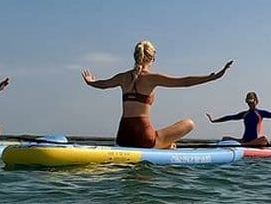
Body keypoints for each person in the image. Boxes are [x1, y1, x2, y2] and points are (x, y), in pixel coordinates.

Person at [81, 40, 233, 149]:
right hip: (143, 138)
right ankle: (163, 145)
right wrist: (212, 77)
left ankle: (164, 144)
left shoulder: (122, 77)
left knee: (160, 136)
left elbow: (102, 85)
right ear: (152, 58)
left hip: (123, 137)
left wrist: (90, 82)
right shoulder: (152, 78)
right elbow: (185, 82)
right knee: (189, 123)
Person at [206, 91, 271, 145]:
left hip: (256, 141)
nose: (250, 104)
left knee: (265, 138)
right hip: (244, 140)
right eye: (248, 102)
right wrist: (213, 120)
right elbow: (230, 117)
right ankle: (243, 144)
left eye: (252, 102)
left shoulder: (260, 113)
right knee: (225, 138)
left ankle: (244, 145)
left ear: (256, 101)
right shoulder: (244, 114)